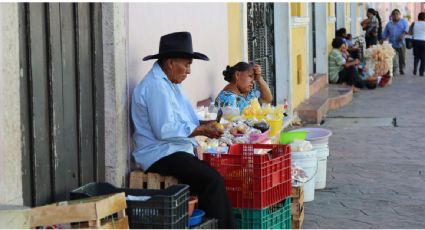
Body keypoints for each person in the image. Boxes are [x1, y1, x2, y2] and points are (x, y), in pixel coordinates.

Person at [131, 31, 235, 228]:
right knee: (212, 181)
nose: (189, 71)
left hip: (174, 150)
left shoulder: (170, 84)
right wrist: (200, 130)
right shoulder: (155, 86)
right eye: (186, 64)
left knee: (211, 178)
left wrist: (206, 127)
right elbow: (164, 130)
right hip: (159, 155)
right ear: (170, 63)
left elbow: (187, 118)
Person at [381, 9, 409, 75]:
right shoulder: (389, 24)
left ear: (400, 15)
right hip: (392, 44)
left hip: (401, 44)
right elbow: (385, 34)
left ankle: (402, 69)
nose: (395, 15)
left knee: (402, 58)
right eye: (394, 14)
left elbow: (406, 30)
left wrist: (402, 35)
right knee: (393, 58)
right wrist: (382, 40)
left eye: (397, 14)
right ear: (392, 16)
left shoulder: (403, 22)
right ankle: (393, 70)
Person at [410, 12, 425, 76]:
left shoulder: (414, 23)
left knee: (416, 56)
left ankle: (415, 69)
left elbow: (410, 32)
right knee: (423, 58)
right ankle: (421, 72)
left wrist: (414, 34)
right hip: (424, 41)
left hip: (415, 41)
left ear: (418, 17)